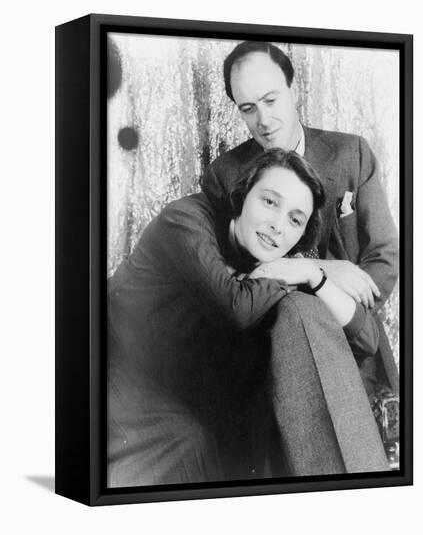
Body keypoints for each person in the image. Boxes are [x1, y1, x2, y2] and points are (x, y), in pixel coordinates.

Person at [107, 149, 388, 489]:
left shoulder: (280, 262)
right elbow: (236, 306)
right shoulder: (185, 219)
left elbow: (366, 339)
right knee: (191, 448)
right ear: (242, 196)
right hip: (118, 374)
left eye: (295, 220)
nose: (277, 226)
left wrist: (314, 274)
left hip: (186, 387)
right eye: (270, 202)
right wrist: (292, 272)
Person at [201, 41, 399, 397]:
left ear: (293, 90)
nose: (263, 119)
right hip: (274, 354)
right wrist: (323, 271)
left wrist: (337, 306)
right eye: (248, 108)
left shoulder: (351, 153)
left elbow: (384, 256)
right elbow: (228, 278)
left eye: (271, 100)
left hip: (357, 346)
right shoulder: (223, 175)